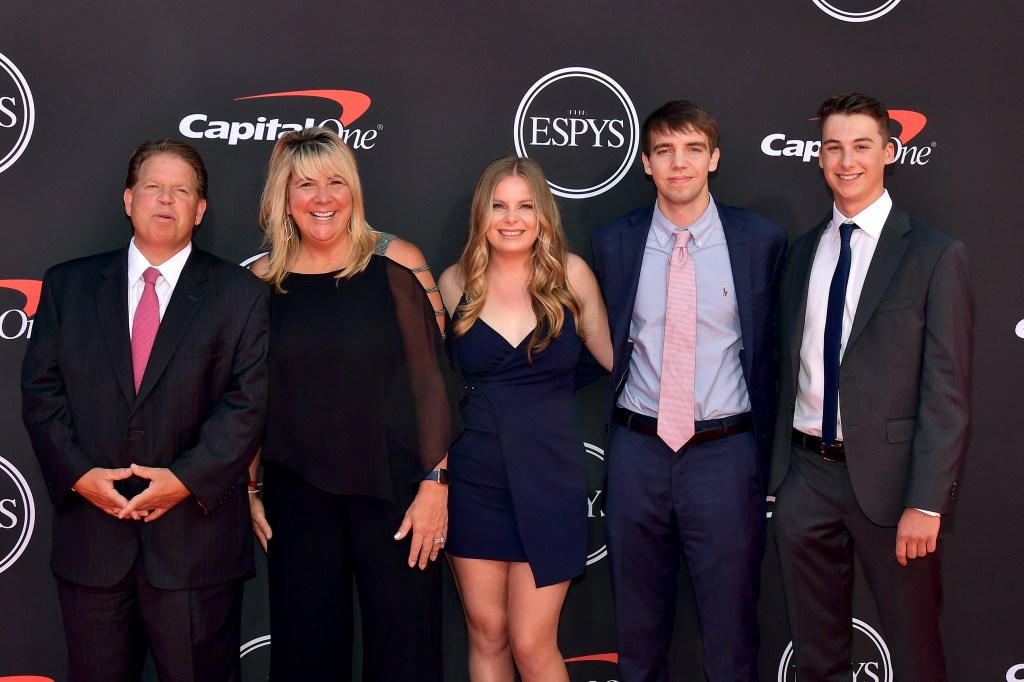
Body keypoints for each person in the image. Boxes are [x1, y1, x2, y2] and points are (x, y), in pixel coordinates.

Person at [21, 139, 269, 681]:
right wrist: (82, 477)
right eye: (154, 187)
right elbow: (42, 394)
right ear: (128, 199)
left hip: (195, 549)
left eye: (182, 190)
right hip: (93, 545)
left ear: (200, 210)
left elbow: (247, 405)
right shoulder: (68, 285)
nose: (166, 199)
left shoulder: (240, 293)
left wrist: (183, 481)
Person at [769, 93, 973, 682]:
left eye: (862, 145)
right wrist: (783, 477)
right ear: (819, 156)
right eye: (833, 146)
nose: (846, 160)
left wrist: (927, 500)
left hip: (894, 487)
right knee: (814, 654)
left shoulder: (936, 254)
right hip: (806, 477)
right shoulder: (803, 252)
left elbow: (948, 391)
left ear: (889, 151)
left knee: (913, 651)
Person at [245, 126, 461, 680]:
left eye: (336, 182)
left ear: (354, 191)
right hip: (297, 495)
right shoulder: (258, 282)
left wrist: (436, 484)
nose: (323, 198)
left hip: (397, 495)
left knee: (405, 656)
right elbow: (247, 398)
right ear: (283, 198)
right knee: (306, 657)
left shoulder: (398, 264)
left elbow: (432, 384)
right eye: (306, 185)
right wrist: (250, 489)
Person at [591, 100, 787, 681]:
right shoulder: (613, 242)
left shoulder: (761, 240)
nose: (680, 164)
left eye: (693, 149)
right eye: (665, 151)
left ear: (714, 159)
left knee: (731, 632)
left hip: (725, 455)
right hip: (637, 451)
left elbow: (777, 348)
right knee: (638, 630)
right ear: (646, 163)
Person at [438, 156, 613, 681]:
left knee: (533, 643)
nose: (511, 219)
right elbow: (432, 385)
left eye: (525, 206)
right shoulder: (453, 284)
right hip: (474, 480)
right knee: (486, 633)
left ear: (543, 214)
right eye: (499, 206)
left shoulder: (572, 274)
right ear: (481, 213)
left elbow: (617, 360)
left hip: (550, 478)